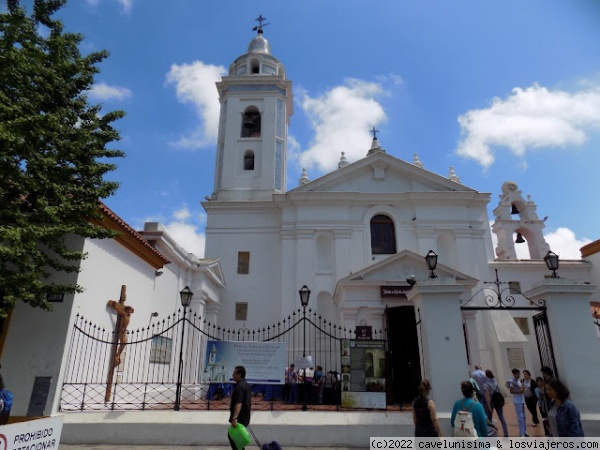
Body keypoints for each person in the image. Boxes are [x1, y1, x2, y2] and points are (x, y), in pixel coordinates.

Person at [228, 366, 252, 450]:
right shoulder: (245, 384)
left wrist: (235, 418)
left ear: (239, 374)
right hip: (245, 416)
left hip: (240, 418)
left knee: (234, 437)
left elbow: (239, 403)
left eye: (234, 373)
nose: (232, 375)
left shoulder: (240, 387)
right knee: (238, 440)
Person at [107, 300, 135, 365]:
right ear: (126, 310)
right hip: (121, 331)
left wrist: (131, 310)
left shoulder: (128, 316)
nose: (130, 312)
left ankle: (118, 355)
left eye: (130, 311)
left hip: (124, 331)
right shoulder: (124, 314)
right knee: (123, 343)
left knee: (124, 343)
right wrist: (114, 305)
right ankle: (117, 355)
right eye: (128, 310)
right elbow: (118, 311)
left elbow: (132, 311)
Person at [483, 369, 508, 437]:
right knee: (501, 417)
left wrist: (488, 406)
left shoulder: (486, 385)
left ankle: (490, 433)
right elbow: (499, 391)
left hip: (491, 402)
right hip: (497, 401)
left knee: (489, 419)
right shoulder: (496, 383)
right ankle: (506, 433)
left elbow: (487, 397)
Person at [506, 368, 529, 437]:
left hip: (522, 400)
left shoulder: (518, 381)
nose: (518, 375)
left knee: (524, 416)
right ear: (514, 374)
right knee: (520, 417)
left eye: (518, 374)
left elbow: (520, 388)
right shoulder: (512, 381)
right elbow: (511, 391)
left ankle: (524, 431)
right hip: (517, 401)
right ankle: (522, 433)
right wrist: (519, 391)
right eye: (516, 374)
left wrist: (522, 388)